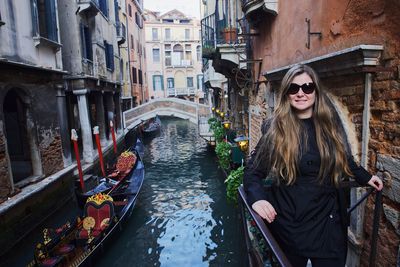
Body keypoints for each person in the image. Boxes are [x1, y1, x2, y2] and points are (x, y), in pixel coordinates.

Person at [243, 64, 383, 267]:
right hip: (292, 222)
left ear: (316, 92)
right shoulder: (277, 131)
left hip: (328, 221)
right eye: (294, 88)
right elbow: (253, 172)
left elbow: (344, 158)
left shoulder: (328, 124)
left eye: (307, 87)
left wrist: (366, 177)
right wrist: (257, 199)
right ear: (287, 94)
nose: (301, 93)